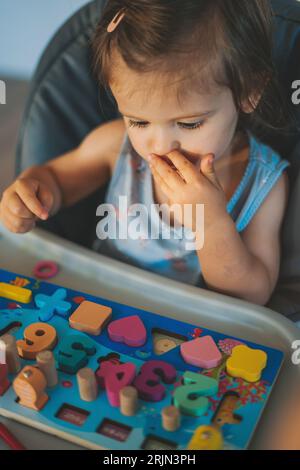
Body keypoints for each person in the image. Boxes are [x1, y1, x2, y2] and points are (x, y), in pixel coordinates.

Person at [0, 0, 291, 305]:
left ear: (248, 93)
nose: (160, 145)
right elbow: (56, 182)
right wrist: (30, 193)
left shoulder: (262, 183)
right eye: (139, 121)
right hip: (95, 303)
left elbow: (251, 295)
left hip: (183, 334)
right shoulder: (117, 147)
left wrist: (211, 222)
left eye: (189, 124)